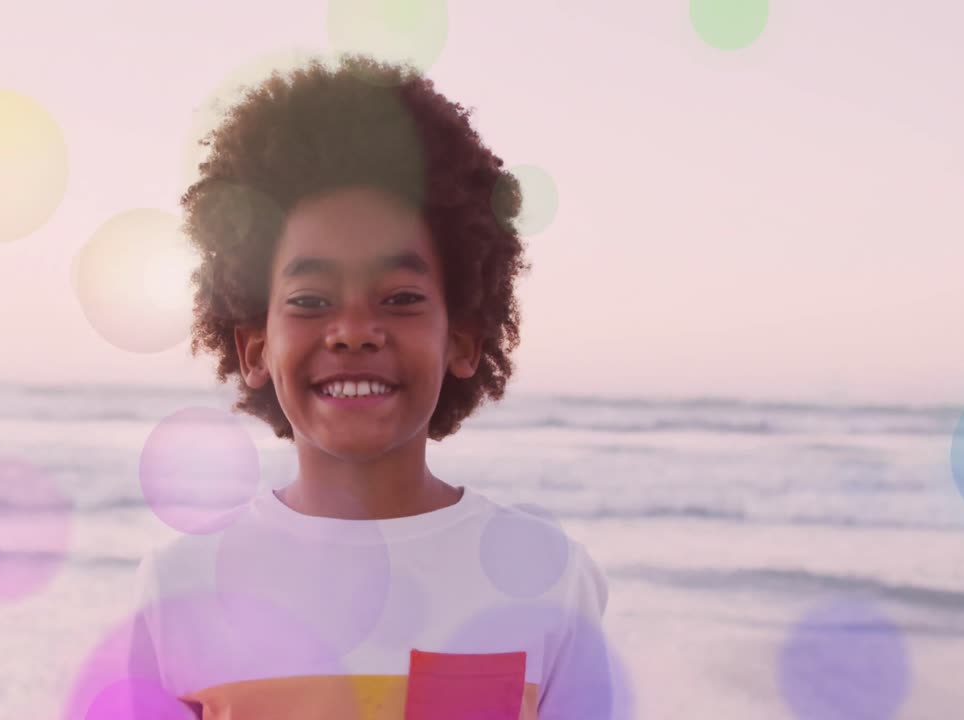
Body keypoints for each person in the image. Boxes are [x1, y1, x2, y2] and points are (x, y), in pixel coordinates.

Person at [128, 53, 613, 720]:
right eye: (310, 300)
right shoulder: (178, 591)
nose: (354, 330)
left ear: (464, 340)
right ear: (255, 347)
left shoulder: (550, 581)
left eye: (402, 297)